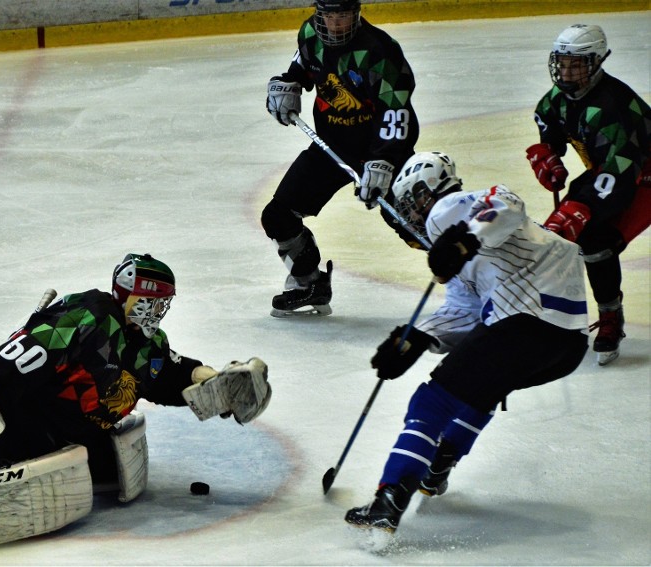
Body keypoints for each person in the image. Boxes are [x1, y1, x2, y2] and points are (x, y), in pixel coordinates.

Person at [0, 253, 272, 562]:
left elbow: (172, 373)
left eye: (161, 304)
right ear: (129, 296)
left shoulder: (146, 342)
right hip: (31, 422)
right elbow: (8, 362)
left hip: (82, 431)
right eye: (151, 302)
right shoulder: (88, 315)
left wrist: (219, 380)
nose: (157, 312)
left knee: (103, 473)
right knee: (10, 486)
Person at [343, 152, 589, 537]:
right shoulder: (461, 241)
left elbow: (505, 201)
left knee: (433, 401)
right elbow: (465, 311)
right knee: (480, 386)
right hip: (567, 342)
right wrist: (416, 337)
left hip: (525, 323)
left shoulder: (448, 211)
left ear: (427, 192)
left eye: (410, 202)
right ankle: (439, 463)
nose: (409, 215)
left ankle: (389, 497)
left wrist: (465, 240)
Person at [263, 0, 419, 317]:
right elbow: (304, 66)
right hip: (332, 148)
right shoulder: (309, 33)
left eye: (343, 15)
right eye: (329, 15)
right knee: (277, 216)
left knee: (414, 224)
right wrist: (289, 82)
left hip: (381, 152)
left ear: (356, 13)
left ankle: (478, 275)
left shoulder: (380, 50)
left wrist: (385, 161)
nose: (336, 23)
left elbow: (396, 110)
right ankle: (309, 284)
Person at [526, 24, 650, 365]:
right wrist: (547, 153)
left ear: (597, 63)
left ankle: (610, 316)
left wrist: (584, 205)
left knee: (595, 238)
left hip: (642, 179)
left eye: (576, 64)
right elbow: (551, 129)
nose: (566, 72)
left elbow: (621, 175)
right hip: (612, 173)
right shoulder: (556, 99)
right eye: (562, 63)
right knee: (571, 236)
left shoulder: (614, 107)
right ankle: (572, 315)